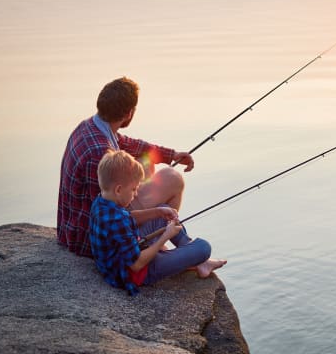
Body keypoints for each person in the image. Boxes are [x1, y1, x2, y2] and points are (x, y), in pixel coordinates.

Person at [58, 76, 194, 257]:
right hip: (88, 239)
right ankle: (153, 244)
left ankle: (160, 237)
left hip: (72, 226)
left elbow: (128, 143)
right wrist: (157, 211)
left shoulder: (90, 126)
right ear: (129, 113)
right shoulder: (99, 154)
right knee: (173, 179)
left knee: (145, 163)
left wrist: (171, 155)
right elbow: (107, 214)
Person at [90, 150, 226, 295]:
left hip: (125, 256)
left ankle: (193, 257)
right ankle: (198, 259)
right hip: (140, 273)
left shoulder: (101, 202)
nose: (136, 194)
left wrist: (157, 212)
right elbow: (136, 265)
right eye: (134, 189)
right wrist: (165, 237)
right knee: (204, 247)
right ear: (118, 189)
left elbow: (128, 217)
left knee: (165, 209)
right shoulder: (116, 221)